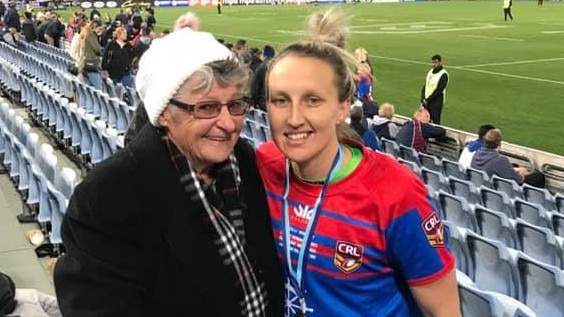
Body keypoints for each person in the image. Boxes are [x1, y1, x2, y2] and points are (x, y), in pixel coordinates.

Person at [54, 12, 284, 317]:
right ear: (164, 113)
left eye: (236, 104)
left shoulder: (246, 160)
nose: (228, 123)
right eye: (207, 107)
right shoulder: (106, 198)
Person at [256, 8, 460, 317]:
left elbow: (443, 311)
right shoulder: (262, 165)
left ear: (342, 108)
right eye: (280, 100)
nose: (294, 118)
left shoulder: (395, 191)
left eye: (313, 100)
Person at [471, 128, 545, 188]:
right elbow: (518, 180)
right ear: (499, 142)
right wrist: (521, 173)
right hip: (495, 186)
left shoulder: (477, 152)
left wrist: (516, 169)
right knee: (538, 177)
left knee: (514, 166)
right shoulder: (499, 159)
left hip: (481, 183)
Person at [420, 54, 448, 124]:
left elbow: (439, 90)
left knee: (435, 122)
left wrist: (428, 99)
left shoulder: (444, 74)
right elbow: (425, 85)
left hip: (436, 102)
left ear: (440, 62)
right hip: (426, 101)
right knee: (425, 120)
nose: (433, 64)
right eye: (432, 62)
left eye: (435, 62)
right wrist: (423, 98)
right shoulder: (430, 72)